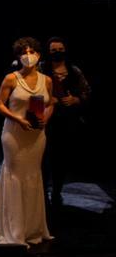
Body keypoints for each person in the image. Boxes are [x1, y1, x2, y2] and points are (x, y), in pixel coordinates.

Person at [0, 37, 54, 246]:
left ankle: (33, 228)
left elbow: (51, 103)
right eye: (24, 51)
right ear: (18, 56)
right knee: (14, 176)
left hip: (37, 134)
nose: (28, 55)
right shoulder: (11, 79)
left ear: (39, 55)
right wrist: (18, 119)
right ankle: (14, 229)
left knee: (33, 175)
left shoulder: (46, 80)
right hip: (14, 133)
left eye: (32, 51)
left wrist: (45, 119)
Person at [42, 37, 89, 209]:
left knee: (61, 160)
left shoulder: (74, 70)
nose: (57, 52)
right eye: (54, 49)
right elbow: (31, 91)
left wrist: (75, 99)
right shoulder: (41, 69)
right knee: (43, 159)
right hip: (46, 120)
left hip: (67, 121)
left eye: (60, 48)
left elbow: (86, 91)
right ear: (48, 51)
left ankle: (56, 193)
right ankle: (43, 193)